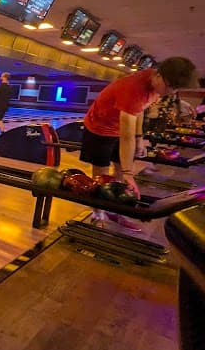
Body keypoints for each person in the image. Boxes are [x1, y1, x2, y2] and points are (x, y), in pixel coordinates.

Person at [80, 57, 197, 231]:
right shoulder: (134, 89)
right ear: (158, 75)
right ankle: (98, 213)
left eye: (175, 88)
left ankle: (114, 208)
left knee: (119, 170)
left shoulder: (154, 84)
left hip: (117, 127)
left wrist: (139, 138)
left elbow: (139, 110)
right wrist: (129, 171)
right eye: (169, 86)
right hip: (99, 128)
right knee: (101, 176)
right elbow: (126, 134)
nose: (171, 92)